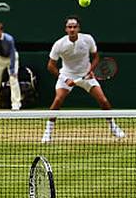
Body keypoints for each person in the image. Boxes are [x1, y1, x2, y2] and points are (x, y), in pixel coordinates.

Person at [43, 15, 124, 143]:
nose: (72, 29)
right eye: (70, 27)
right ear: (66, 29)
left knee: (103, 100)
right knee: (58, 100)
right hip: (67, 75)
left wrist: (90, 70)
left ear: (78, 28)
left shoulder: (88, 39)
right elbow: (50, 66)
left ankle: (113, 127)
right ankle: (48, 132)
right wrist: (64, 79)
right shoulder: (59, 44)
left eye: (75, 27)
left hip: (86, 76)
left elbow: (96, 57)